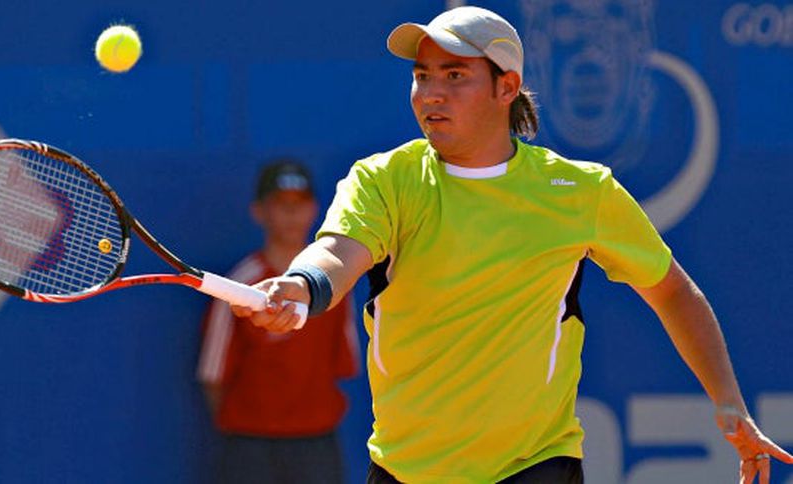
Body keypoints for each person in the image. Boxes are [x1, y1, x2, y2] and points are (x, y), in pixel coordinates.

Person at [232, 7, 793, 484]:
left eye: (455, 75)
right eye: (422, 76)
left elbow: (672, 291)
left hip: (535, 465)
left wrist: (728, 402)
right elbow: (338, 252)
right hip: (406, 469)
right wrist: (304, 284)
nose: (431, 94)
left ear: (506, 87)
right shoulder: (384, 180)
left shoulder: (580, 191)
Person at [197, 160, 360, 483]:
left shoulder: (333, 286)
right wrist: (250, 428)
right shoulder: (239, 285)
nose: (291, 213)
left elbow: (343, 363)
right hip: (250, 448)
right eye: (281, 204)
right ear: (259, 212)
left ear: (315, 209)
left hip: (317, 444)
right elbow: (213, 376)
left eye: (299, 203)